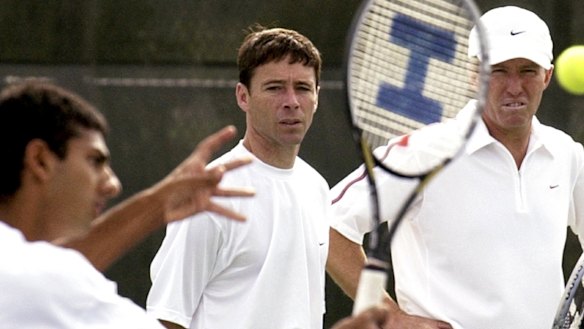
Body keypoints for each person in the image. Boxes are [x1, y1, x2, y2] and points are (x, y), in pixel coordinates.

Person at [326, 6, 584, 329]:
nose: (515, 86)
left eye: (527, 70)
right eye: (499, 71)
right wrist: (391, 316)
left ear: (546, 75)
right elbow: (328, 224)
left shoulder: (567, 154)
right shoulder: (423, 151)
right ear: (473, 75)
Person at [0, 80, 255, 327]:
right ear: (40, 160)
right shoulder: (48, 286)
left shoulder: (25, 273)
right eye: (94, 161)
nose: (112, 185)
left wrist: (158, 204)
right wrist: (157, 204)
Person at [146, 26, 331, 329]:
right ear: (243, 96)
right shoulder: (210, 195)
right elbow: (166, 318)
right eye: (274, 88)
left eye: (302, 88)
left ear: (316, 97)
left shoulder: (317, 189)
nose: (291, 101)